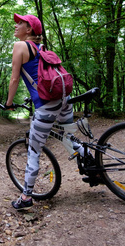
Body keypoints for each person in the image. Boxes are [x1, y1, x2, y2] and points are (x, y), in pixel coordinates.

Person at [5, 13, 79, 211]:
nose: (15, 26)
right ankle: (93, 165)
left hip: (46, 104)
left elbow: (14, 79)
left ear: (28, 29)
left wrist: (9, 103)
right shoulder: (41, 48)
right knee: (69, 139)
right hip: (65, 100)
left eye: (19, 23)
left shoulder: (20, 46)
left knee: (34, 151)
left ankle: (26, 197)